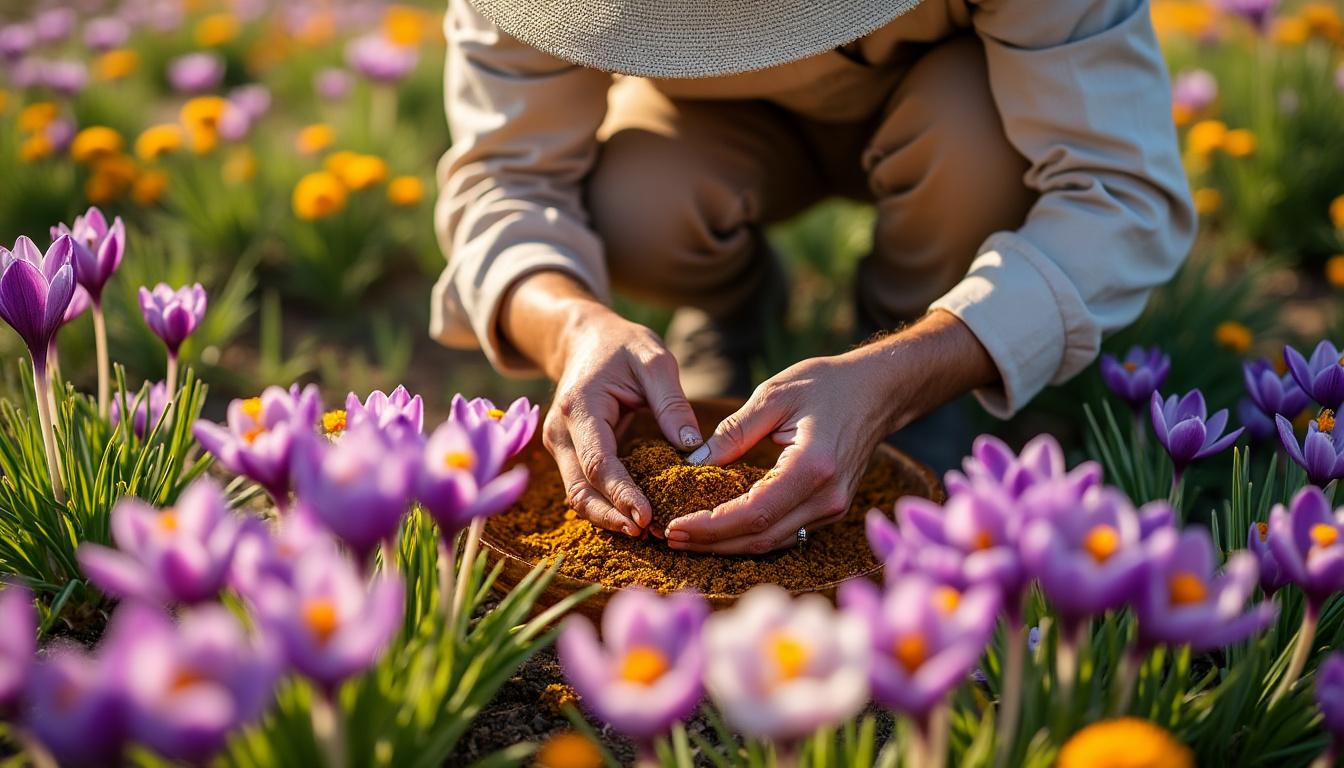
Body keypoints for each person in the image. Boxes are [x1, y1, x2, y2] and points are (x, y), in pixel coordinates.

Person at [432, 0, 1195, 554]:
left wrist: (904, 370)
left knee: (978, 150)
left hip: (948, 109)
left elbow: (1121, 194)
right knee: (638, 204)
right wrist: (572, 328)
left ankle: (907, 354)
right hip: (704, 133)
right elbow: (503, 184)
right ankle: (727, 306)